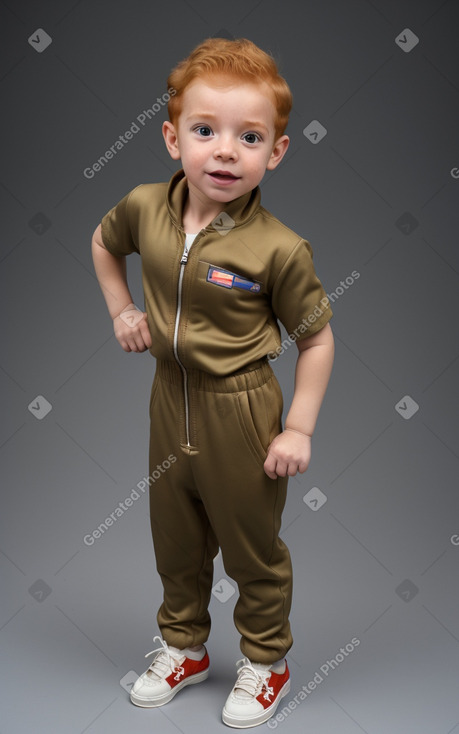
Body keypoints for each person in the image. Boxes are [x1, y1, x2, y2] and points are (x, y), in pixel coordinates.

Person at [91, 36, 334, 729]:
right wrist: (122, 309)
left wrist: (298, 427)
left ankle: (266, 659)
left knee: (251, 544)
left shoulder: (278, 248)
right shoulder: (143, 207)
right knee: (175, 538)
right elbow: (104, 245)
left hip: (243, 411)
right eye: (205, 131)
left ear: (276, 152)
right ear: (172, 138)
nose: (225, 152)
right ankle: (183, 646)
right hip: (169, 400)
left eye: (248, 137)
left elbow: (315, 338)